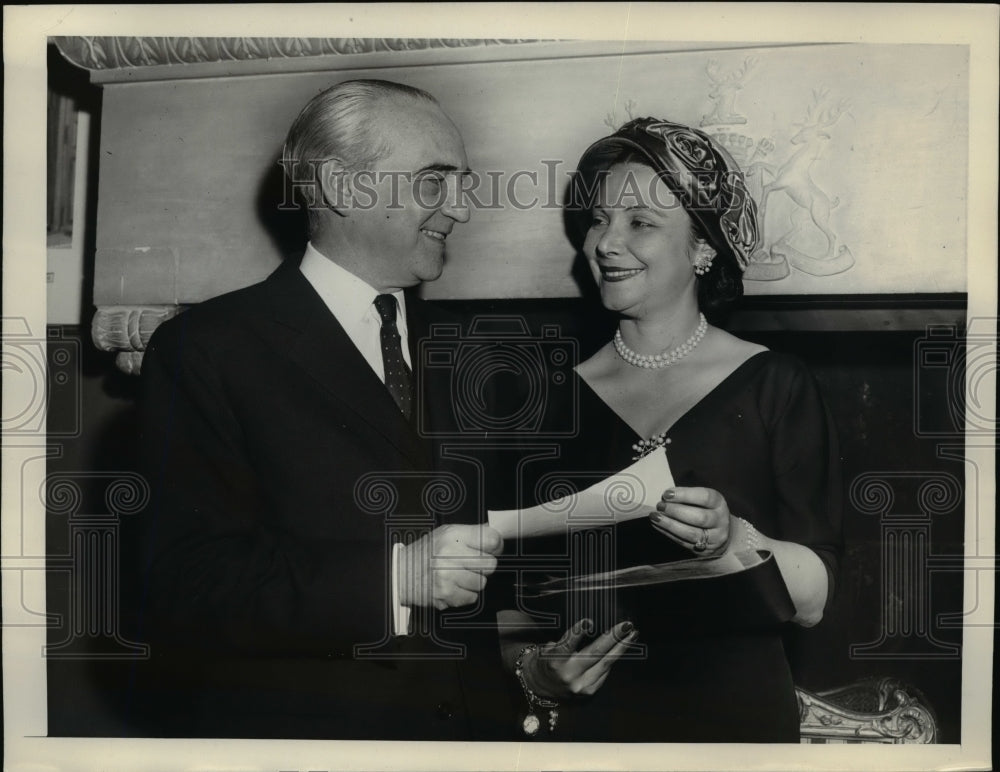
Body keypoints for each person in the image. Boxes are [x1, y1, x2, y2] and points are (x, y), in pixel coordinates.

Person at [133, 79, 505, 740]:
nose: (462, 208)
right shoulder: (209, 349)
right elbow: (183, 583)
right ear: (340, 188)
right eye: (435, 181)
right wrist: (393, 579)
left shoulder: (467, 349)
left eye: (463, 183)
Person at [494, 118, 843, 742]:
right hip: (590, 732)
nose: (605, 242)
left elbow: (815, 600)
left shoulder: (775, 384)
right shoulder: (545, 398)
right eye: (598, 220)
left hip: (737, 727)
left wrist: (734, 539)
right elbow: (514, 604)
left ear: (703, 249)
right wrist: (536, 673)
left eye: (640, 223)